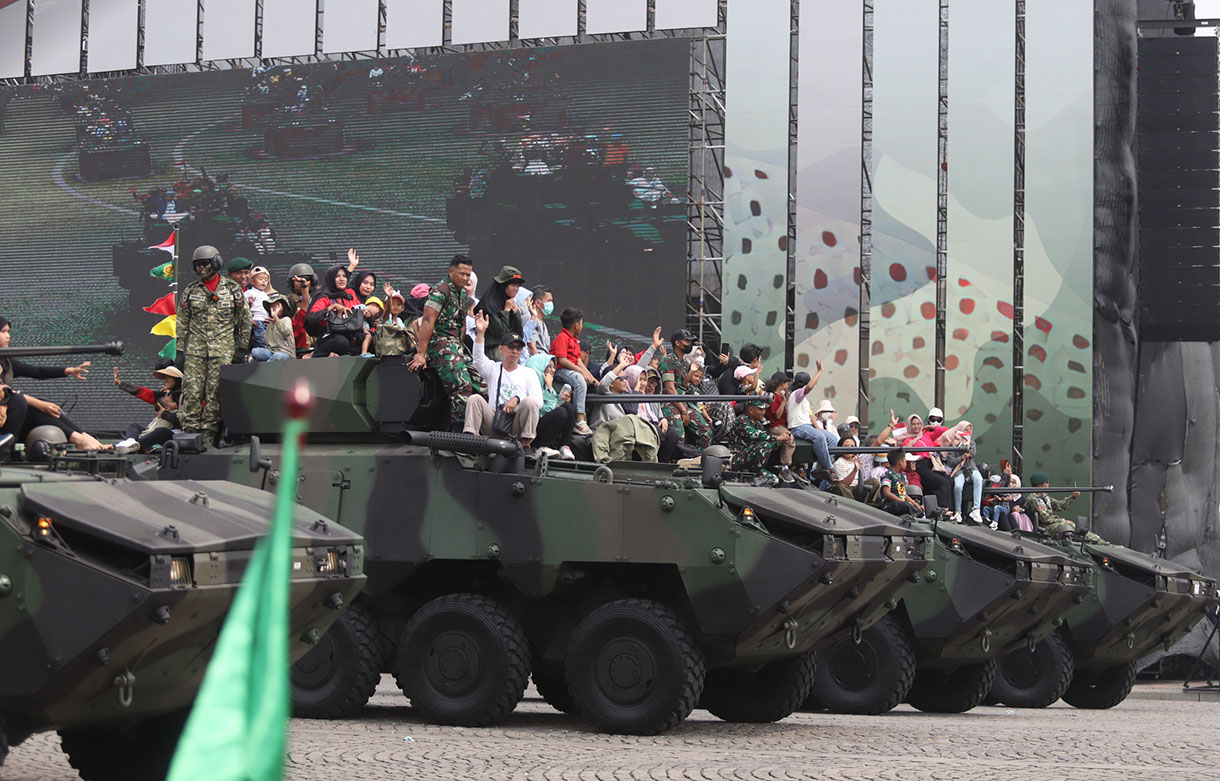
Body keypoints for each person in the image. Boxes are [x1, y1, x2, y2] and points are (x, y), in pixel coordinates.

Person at [177, 245, 252, 444]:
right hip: (196, 350)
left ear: (216, 264)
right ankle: (189, 435)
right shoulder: (191, 290)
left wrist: (242, 348)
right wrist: (178, 350)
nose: (200, 268)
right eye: (197, 265)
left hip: (223, 349)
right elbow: (182, 321)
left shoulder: (232, 289)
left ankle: (209, 438)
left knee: (215, 394)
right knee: (191, 391)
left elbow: (244, 319)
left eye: (204, 264)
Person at [0, 316, 105, 450]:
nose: (8, 336)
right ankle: (79, 439)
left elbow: (37, 371)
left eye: (9, 332)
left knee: (40, 406)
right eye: (3, 332)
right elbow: (8, 394)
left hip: (10, 420)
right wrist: (39, 404)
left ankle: (83, 436)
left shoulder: (7, 362)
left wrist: (68, 371)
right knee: (25, 402)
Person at [410, 255, 478, 428]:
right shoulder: (440, 291)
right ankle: (459, 433)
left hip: (456, 345)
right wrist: (421, 354)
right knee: (462, 386)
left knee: (481, 386)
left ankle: (477, 430)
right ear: (451, 271)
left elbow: (461, 323)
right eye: (462, 273)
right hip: (439, 344)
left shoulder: (462, 293)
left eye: (468, 275)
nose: (465, 278)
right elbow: (427, 321)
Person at [465, 314, 542, 449]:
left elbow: (538, 402)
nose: (514, 351)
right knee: (475, 399)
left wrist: (517, 399)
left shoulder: (529, 373)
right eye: (511, 347)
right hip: (494, 422)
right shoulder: (493, 369)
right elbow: (477, 359)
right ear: (501, 349)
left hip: (516, 425)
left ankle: (526, 446)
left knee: (530, 402)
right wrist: (481, 332)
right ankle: (471, 442)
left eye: (518, 348)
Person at [657, 328, 711, 450]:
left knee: (706, 432)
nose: (690, 344)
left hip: (684, 402)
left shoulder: (684, 363)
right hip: (669, 403)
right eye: (687, 341)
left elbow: (684, 386)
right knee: (678, 436)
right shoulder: (668, 360)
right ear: (677, 343)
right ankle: (677, 465)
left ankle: (699, 462)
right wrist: (684, 411)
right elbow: (670, 389)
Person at [724, 398, 791, 486]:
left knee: (773, 479)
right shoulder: (741, 420)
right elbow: (755, 434)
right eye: (760, 409)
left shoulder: (758, 424)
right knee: (765, 444)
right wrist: (777, 438)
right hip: (737, 459)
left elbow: (771, 445)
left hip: (752, 465)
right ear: (751, 410)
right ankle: (751, 478)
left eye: (764, 409)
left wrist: (782, 440)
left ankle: (755, 478)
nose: (763, 412)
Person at [550, 307, 595, 435]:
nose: (582, 326)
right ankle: (579, 419)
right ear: (576, 325)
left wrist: (591, 377)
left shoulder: (574, 340)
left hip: (570, 372)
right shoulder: (562, 337)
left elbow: (579, 361)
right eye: (581, 323)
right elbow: (562, 360)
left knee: (586, 381)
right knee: (579, 379)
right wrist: (580, 373)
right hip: (559, 370)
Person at [899, 413, 953, 514]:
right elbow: (907, 448)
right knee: (942, 483)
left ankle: (950, 509)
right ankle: (941, 509)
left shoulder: (927, 436)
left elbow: (945, 430)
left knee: (949, 480)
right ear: (909, 426)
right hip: (920, 466)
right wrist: (917, 438)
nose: (916, 426)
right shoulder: (907, 439)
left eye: (919, 424)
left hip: (931, 464)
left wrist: (930, 426)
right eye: (913, 424)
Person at [526, 353, 577, 459]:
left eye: (554, 367)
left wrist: (562, 400)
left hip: (546, 423)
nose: (553, 370)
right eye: (549, 366)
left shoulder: (546, 384)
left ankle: (565, 446)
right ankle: (543, 447)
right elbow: (547, 409)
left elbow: (554, 405)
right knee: (561, 413)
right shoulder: (530, 384)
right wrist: (549, 388)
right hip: (533, 428)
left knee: (569, 408)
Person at [787, 361, 834, 474]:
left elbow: (810, 414)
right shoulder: (796, 394)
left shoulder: (804, 400)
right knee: (819, 437)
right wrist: (820, 371)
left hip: (808, 426)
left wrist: (817, 426)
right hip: (798, 426)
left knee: (832, 439)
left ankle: (821, 467)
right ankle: (828, 468)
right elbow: (809, 387)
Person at [306, 264, 363, 358]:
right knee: (341, 342)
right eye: (337, 276)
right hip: (330, 337)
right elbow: (312, 317)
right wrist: (331, 307)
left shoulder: (350, 294)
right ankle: (315, 356)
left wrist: (368, 313)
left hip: (351, 336)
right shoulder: (324, 297)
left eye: (344, 276)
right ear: (331, 279)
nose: (342, 279)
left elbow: (359, 310)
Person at [475, 266, 526, 361]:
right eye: (513, 285)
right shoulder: (488, 305)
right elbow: (501, 333)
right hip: (494, 352)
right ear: (503, 285)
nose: (516, 289)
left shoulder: (510, 303)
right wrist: (506, 311)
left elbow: (519, 335)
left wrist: (516, 315)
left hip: (511, 349)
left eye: (518, 286)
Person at [938, 421, 984, 524]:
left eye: (969, 430)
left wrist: (961, 445)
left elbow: (972, 453)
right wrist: (961, 457)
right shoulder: (952, 444)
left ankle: (976, 509)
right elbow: (950, 462)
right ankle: (957, 512)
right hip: (959, 470)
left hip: (971, 468)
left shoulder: (972, 443)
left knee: (978, 479)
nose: (967, 432)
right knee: (958, 486)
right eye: (965, 429)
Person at [1023, 473, 1092, 538]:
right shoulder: (1033, 499)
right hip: (1044, 527)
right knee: (1067, 527)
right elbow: (1045, 519)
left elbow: (1060, 506)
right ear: (1039, 485)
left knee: (1076, 528)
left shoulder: (1045, 496)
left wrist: (1073, 497)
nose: (1048, 484)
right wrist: (1062, 521)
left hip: (1051, 524)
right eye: (1046, 482)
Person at [763, 371, 796, 482]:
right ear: (782, 384)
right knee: (789, 438)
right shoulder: (774, 397)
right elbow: (777, 416)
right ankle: (785, 467)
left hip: (783, 425)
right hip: (776, 426)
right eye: (786, 383)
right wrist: (783, 402)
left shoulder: (781, 397)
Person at [875, 449, 924, 517]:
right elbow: (887, 493)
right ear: (900, 463)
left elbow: (904, 494)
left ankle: (923, 513)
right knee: (905, 505)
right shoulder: (888, 475)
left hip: (902, 504)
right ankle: (920, 515)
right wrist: (902, 501)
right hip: (890, 505)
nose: (906, 464)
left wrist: (915, 504)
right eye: (905, 461)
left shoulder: (902, 476)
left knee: (909, 505)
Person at [286, 262, 318, 357]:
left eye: (307, 279)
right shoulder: (287, 302)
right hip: (297, 346)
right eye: (297, 280)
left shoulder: (318, 301)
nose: (302, 281)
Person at [114, 362, 182, 405]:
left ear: (176, 379)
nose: (165, 381)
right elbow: (145, 393)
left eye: (169, 377)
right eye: (164, 378)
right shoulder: (166, 394)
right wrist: (121, 384)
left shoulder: (186, 396)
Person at [252, 295, 295, 361]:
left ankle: (266, 367)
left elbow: (286, 332)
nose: (274, 308)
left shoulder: (286, 319)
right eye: (272, 306)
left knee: (278, 356)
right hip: (271, 352)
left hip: (285, 353)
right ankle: (270, 362)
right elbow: (268, 343)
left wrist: (275, 317)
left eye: (277, 305)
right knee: (255, 351)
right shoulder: (270, 324)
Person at [246, 265, 273, 349]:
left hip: (266, 321)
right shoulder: (249, 293)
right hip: (257, 321)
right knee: (260, 340)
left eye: (266, 280)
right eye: (260, 279)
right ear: (253, 281)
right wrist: (249, 303)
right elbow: (244, 309)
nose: (263, 282)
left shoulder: (266, 295)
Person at [522, 285, 554, 355]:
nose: (551, 304)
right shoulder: (530, 319)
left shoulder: (542, 322)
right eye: (549, 300)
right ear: (538, 303)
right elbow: (532, 348)